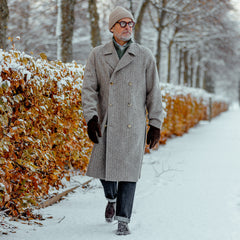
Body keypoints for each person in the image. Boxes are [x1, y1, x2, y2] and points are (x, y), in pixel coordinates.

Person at [81, 6, 164, 235]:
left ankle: (123, 219)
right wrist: (91, 118)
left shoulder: (144, 55)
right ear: (112, 27)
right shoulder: (97, 54)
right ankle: (111, 198)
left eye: (131, 23)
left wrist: (155, 123)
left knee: (128, 173)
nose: (128, 27)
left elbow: (153, 92)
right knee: (104, 171)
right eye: (123, 23)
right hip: (106, 123)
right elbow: (88, 89)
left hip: (132, 124)